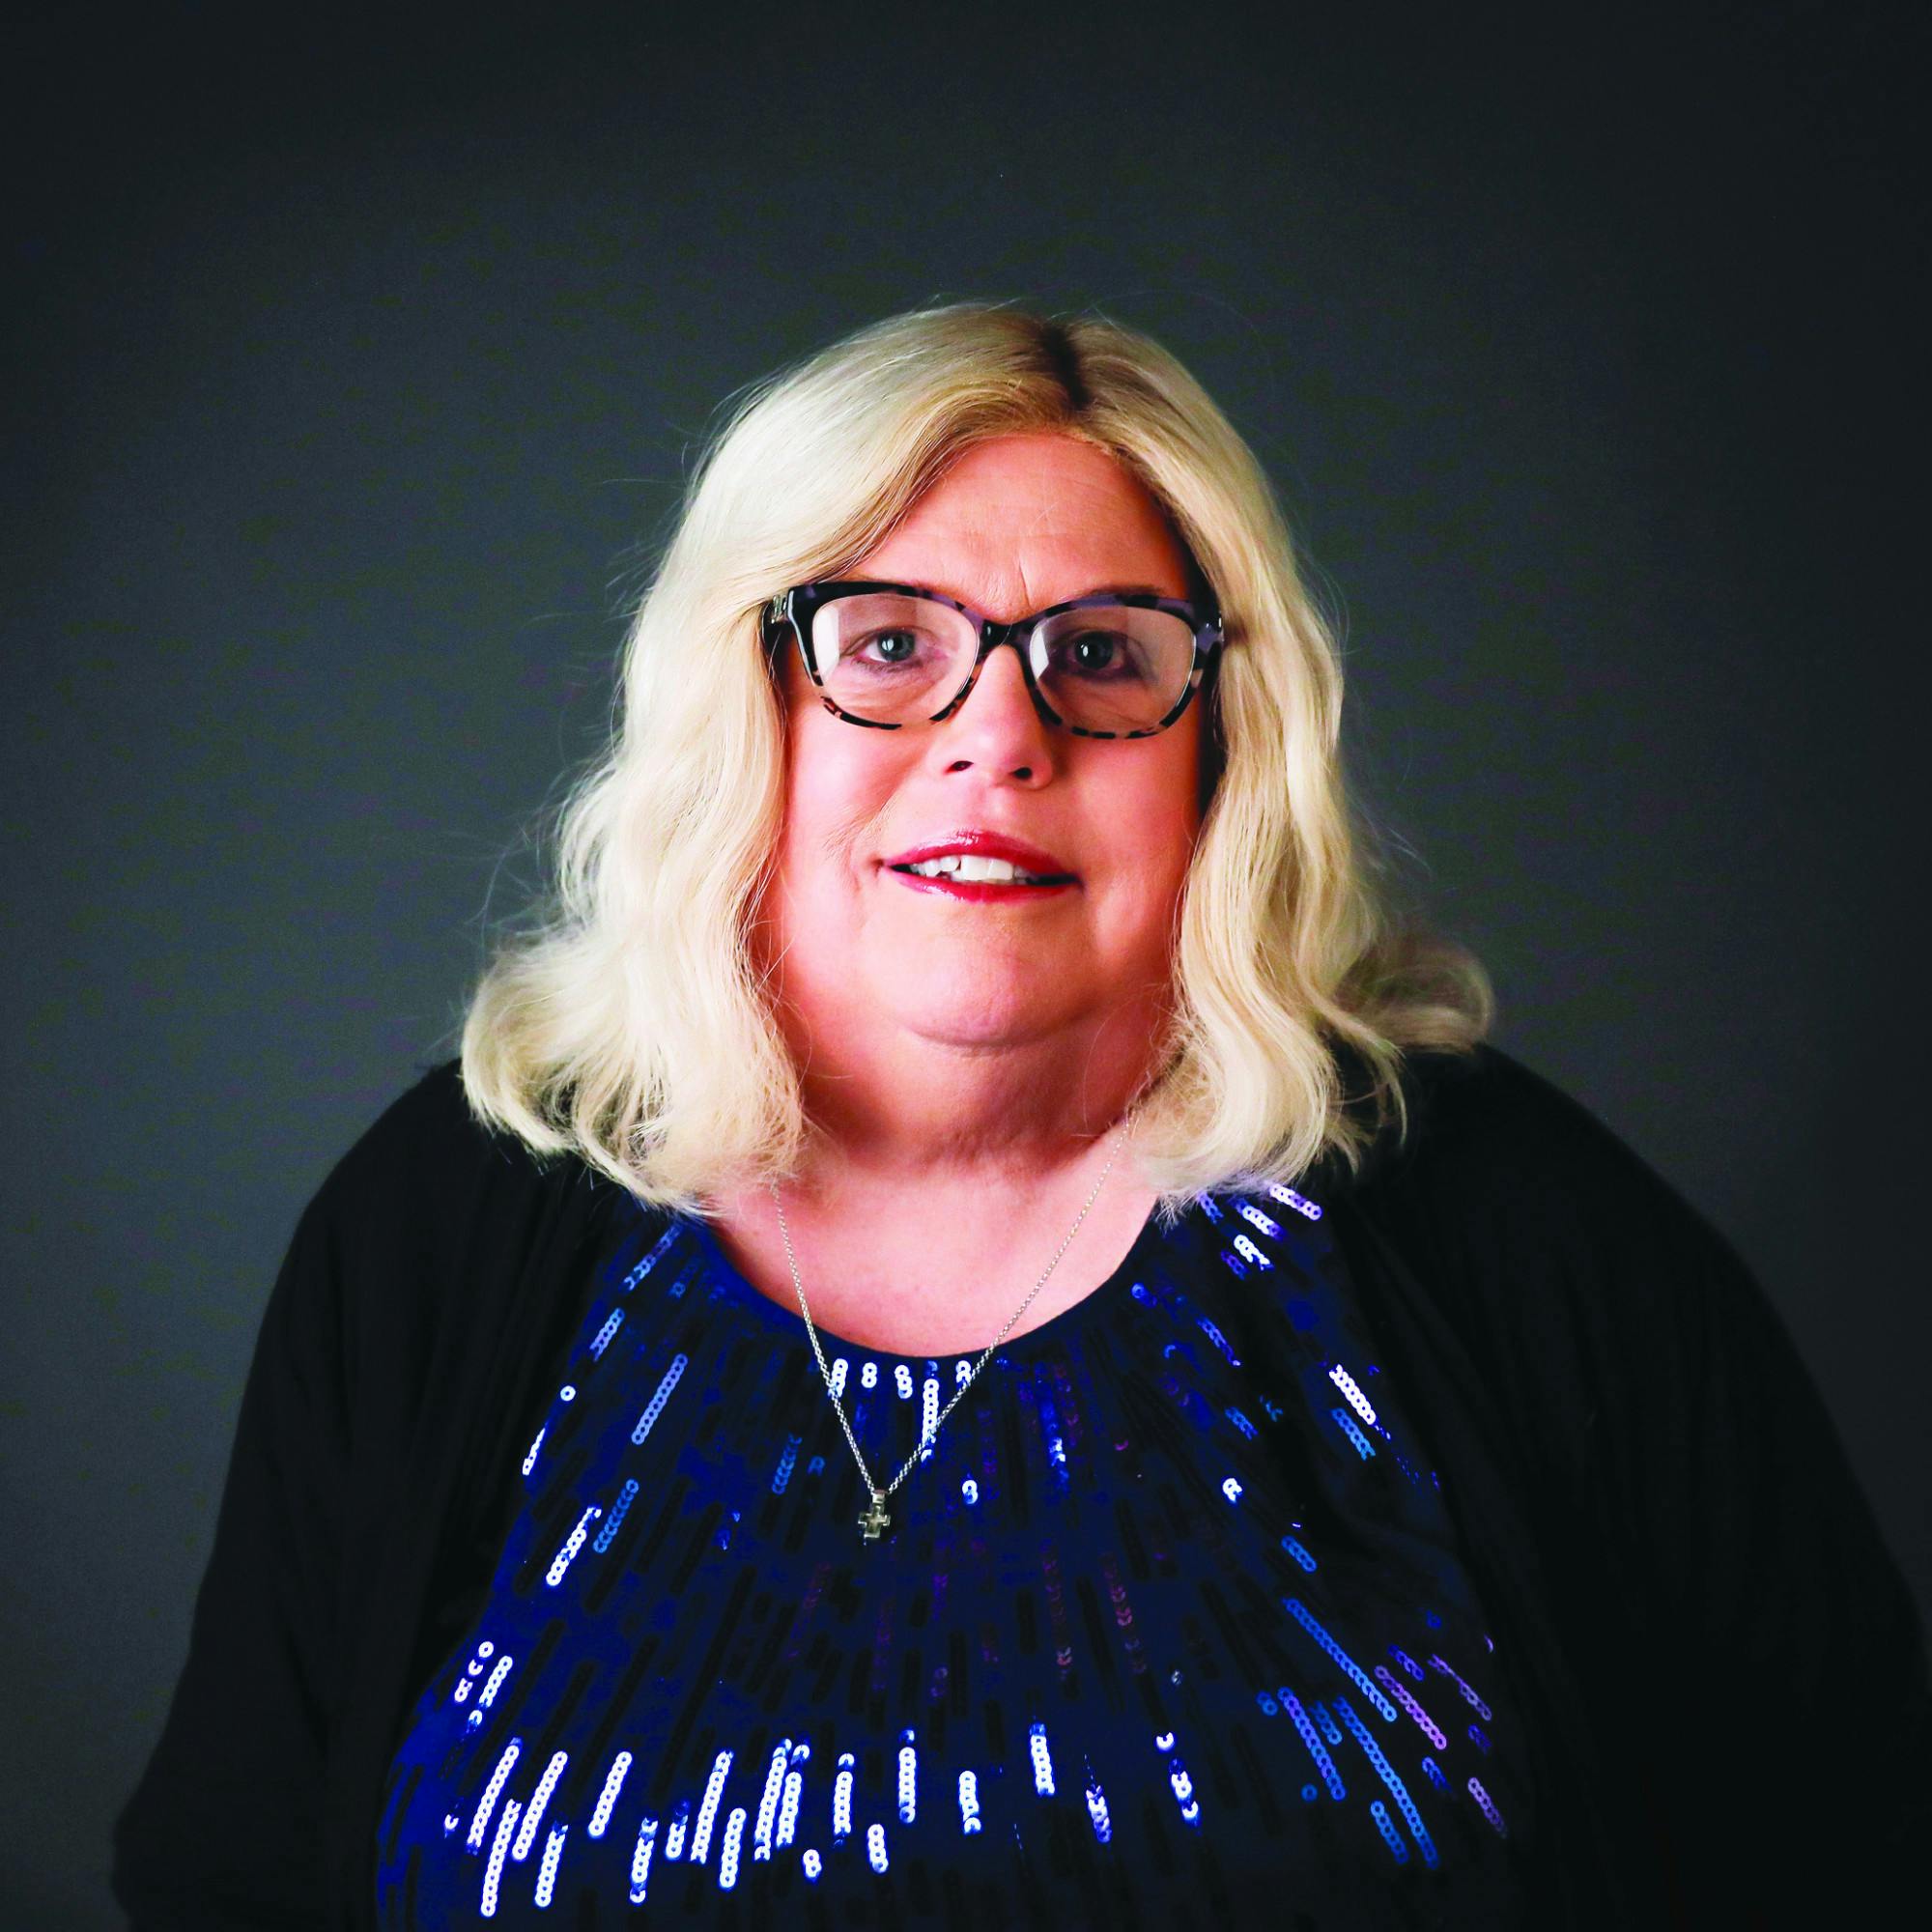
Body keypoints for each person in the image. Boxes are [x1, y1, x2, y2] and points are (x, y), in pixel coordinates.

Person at [113, 303, 1928, 1931]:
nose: (998, 734)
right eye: (888, 645)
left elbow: (1849, 1856)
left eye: (1108, 655)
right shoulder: (449, 1223)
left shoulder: (1519, 1239)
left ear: (1227, 744)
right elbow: (233, 1881)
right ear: (743, 706)